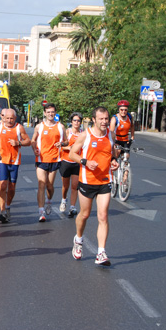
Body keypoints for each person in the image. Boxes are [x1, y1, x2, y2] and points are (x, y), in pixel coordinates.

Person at [69, 106, 119, 266]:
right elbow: (72, 154)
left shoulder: (110, 135)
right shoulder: (86, 135)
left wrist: (114, 162)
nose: (104, 122)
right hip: (87, 181)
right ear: (94, 120)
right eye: (101, 119)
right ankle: (78, 240)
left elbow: (112, 154)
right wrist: (85, 162)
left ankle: (101, 252)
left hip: (105, 181)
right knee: (84, 214)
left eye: (106, 118)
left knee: (103, 216)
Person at [30, 103, 65, 222]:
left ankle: (49, 201)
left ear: (55, 113)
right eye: (48, 112)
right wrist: (34, 149)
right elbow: (33, 140)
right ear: (45, 113)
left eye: (52, 112)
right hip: (41, 159)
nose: (50, 114)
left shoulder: (60, 127)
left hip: (55, 159)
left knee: (49, 186)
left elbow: (66, 142)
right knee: (41, 184)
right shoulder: (39, 127)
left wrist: (62, 144)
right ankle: (41, 212)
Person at [0, 108, 31, 223]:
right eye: (7, 118)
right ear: (3, 118)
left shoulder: (18, 128)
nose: (9, 120)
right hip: (2, 160)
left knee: (11, 187)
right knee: (2, 185)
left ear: (15, 118)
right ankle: (2, 211)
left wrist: (18, 143)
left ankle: (8, 206)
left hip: (14, 161)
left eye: (11, 118)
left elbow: (28, 141)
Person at [59, 112, 84, 217]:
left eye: (78, 121)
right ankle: (64, 199)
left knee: (75, 186)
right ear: (71, 121)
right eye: (74, 120)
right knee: (65, 186)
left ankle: (72, 207)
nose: (76, 122)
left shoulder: (83, 134)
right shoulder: (67, 132)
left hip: (77, 163)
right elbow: (60, 146)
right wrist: (68, 148)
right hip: (66, 161)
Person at [110, 100, 134, 181]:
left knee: (126, 157)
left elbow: (132, 126)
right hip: (117, 140)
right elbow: (111, 131)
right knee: (116, 154)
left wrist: (132, 137)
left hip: (125, 140)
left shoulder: (129, 117)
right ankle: (112, 174)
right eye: (121, 110)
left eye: (125, 110)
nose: (123, 112)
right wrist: (113, 141)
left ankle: (125, 176)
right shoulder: (115, 118)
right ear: (119, 110)